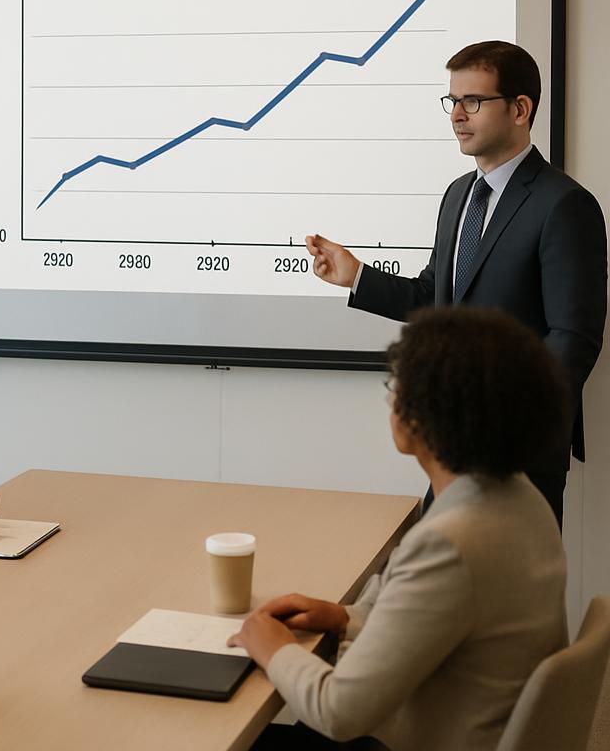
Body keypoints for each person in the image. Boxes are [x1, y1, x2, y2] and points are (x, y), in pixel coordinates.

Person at [228, 306, 568, 751]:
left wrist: (271, 646)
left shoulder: (451, 543)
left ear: (427, 414)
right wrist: (346, 618)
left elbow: (339, 711)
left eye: (396, 387)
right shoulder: (521, 498)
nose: (390, 400)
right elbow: (443, 619)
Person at [305, 40, 607, 525]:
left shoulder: (564, 205)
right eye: (452, 101)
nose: (456, 115)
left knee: (506, 598)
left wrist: (509, 424)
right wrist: (356, 275)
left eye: (473, 101)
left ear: (520, 109)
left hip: (517, 451)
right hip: (453, 442)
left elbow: (574, 340)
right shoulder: (458, 195)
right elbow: (434, 298)